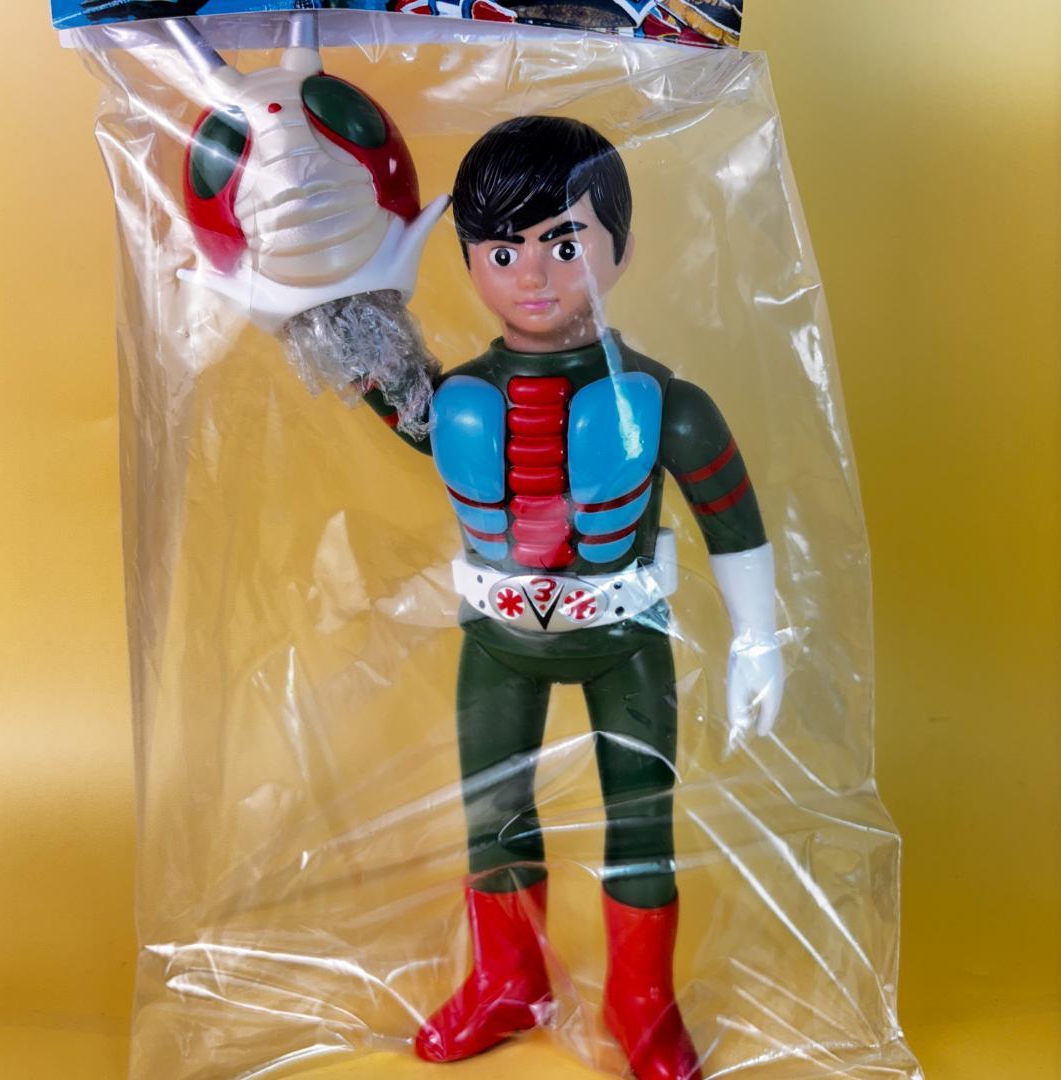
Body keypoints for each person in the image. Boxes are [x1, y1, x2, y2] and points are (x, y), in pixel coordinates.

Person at [290, 114, 784, 1080]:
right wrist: (313, 278)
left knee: (641, 827)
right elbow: (364, 360)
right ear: (470, 260)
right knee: (495, 818)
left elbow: (734, 522)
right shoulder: (455, 401)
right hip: (497, 645)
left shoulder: (666, 404)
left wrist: (758, 641)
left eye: (564, 244)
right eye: (502, 250)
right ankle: (507, 979)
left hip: (624, 639)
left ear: (620, 249)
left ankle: (642, 1003)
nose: (533, 275)